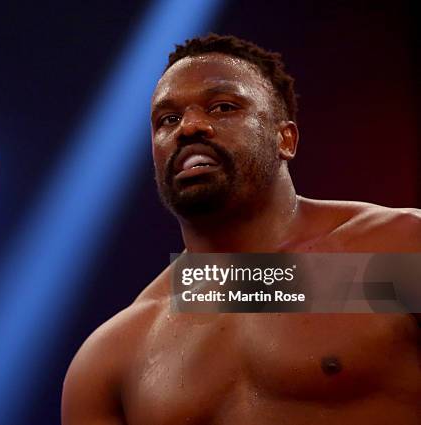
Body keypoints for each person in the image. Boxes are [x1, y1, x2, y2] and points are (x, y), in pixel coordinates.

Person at [62, 34, 421, 424]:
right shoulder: (113, 357)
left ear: (285, 138)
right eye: (168, 119)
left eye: (222, 107)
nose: (190, 127)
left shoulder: (399, 251)